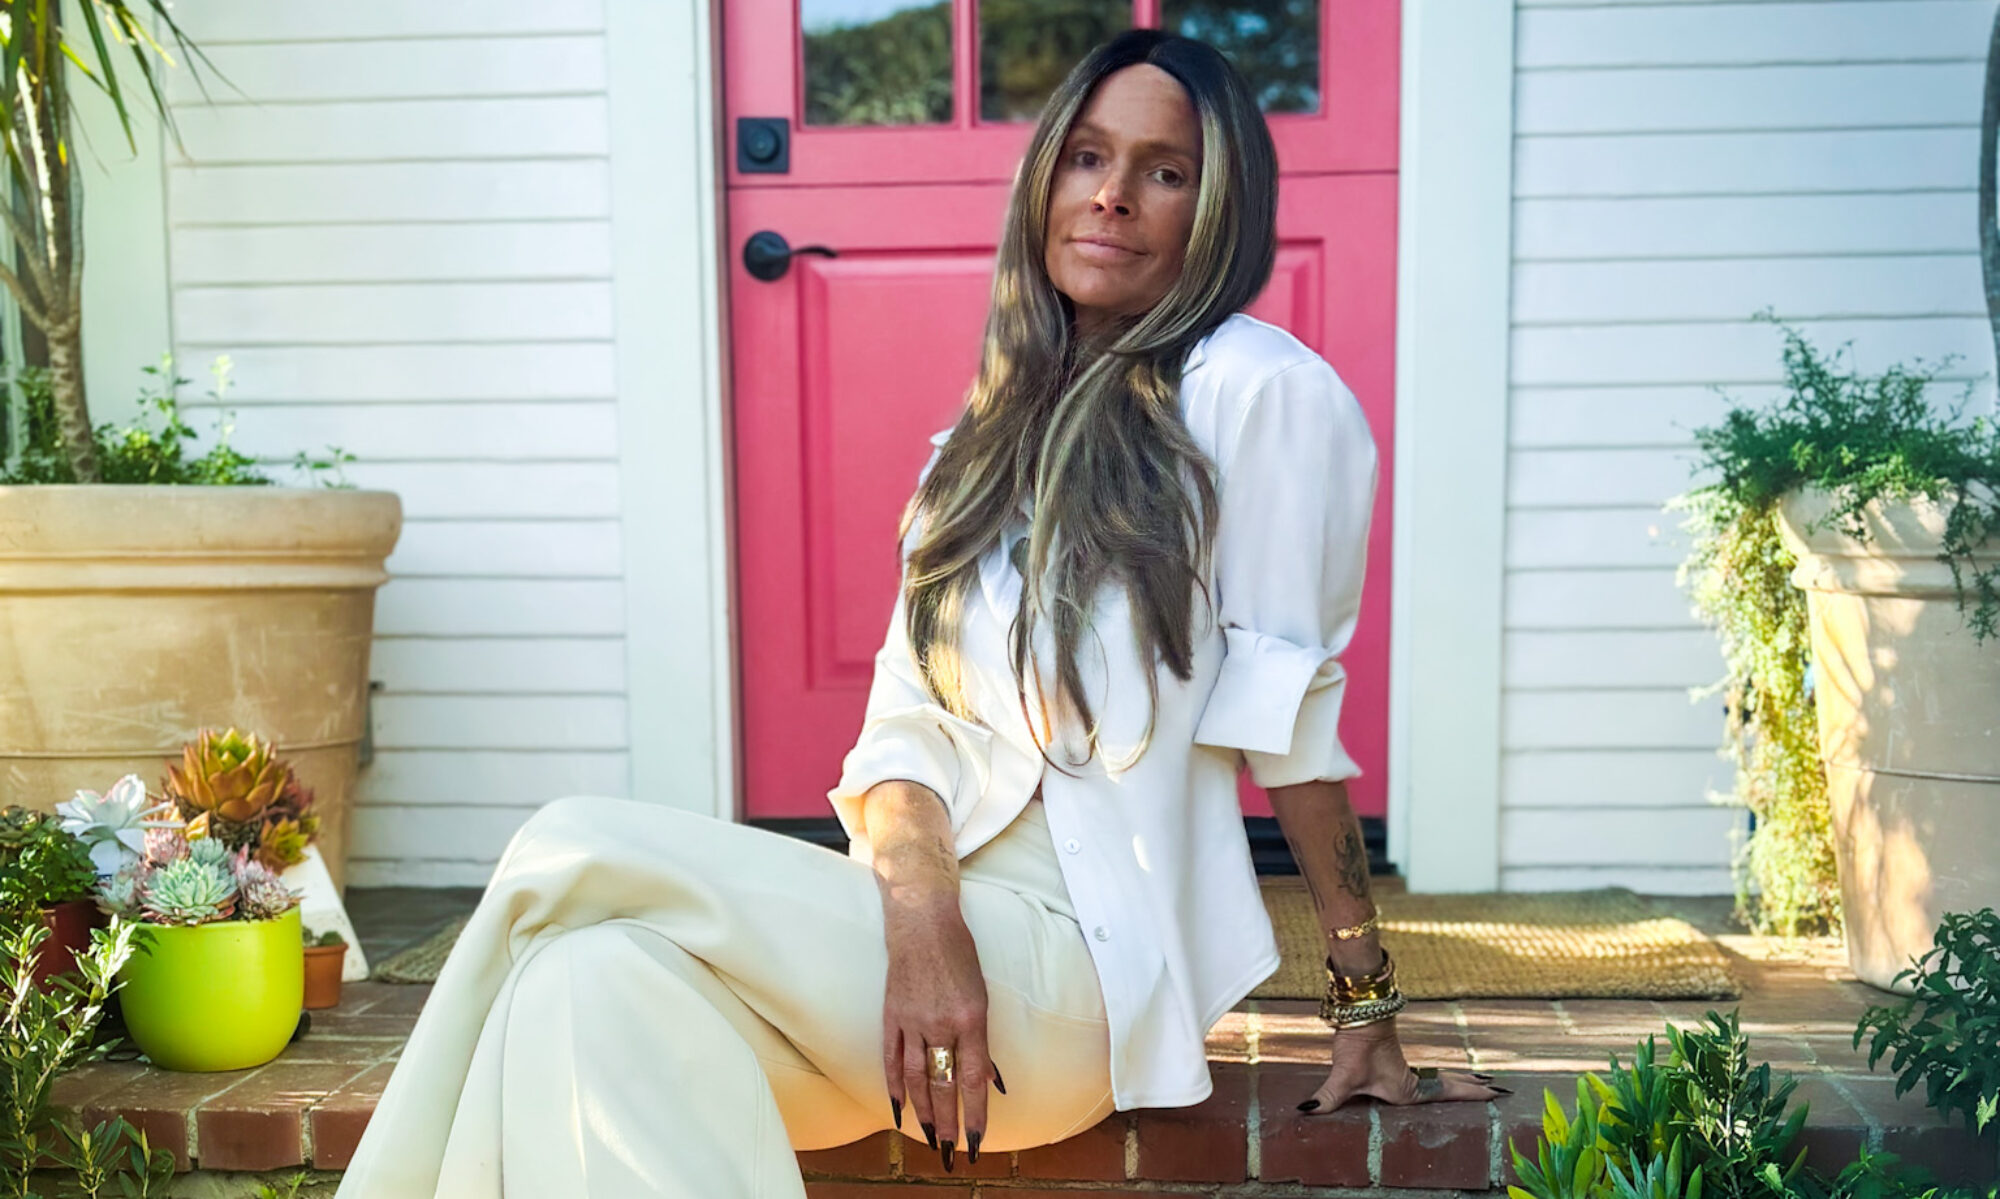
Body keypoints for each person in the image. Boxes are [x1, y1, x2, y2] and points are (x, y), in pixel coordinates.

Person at [333, 28, 1505, 1199]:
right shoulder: (971, 456)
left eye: (1164, 171)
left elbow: (1287, 722)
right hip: (914, 949)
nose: (1110, 193)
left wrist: (1364, 999)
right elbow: (900, 734)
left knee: (565, 846)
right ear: (1042, 177)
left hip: (1072, 967)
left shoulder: (1260, 394)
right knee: (581, 982)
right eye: (1086, 155)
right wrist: (922, 923)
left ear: (1217, 212)